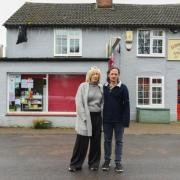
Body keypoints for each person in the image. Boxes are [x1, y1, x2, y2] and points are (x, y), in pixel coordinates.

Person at [68, 66, 103, 172]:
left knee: (96, 142)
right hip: (86, 118)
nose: (95, 76)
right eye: (93, 74)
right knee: (81, 142)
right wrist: (84, 117)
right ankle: (75, 164)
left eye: (97, 74)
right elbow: (79, 103)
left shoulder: (101, 87)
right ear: (89, 75)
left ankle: (94, 164)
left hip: (97, 117)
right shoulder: (83, 86)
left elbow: (103, 102)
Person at [102, 66, 130, 173]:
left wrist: (126, 121)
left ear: (118, 75)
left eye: (116, 74)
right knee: (107, 141)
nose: (114, 76)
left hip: (119, 121)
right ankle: (107, 161)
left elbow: (126, 105)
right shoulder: (103, 87)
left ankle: (118, 163)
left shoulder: (123, 88)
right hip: (107, 120)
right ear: (108, 75)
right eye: (112, 74)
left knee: (119, 142)